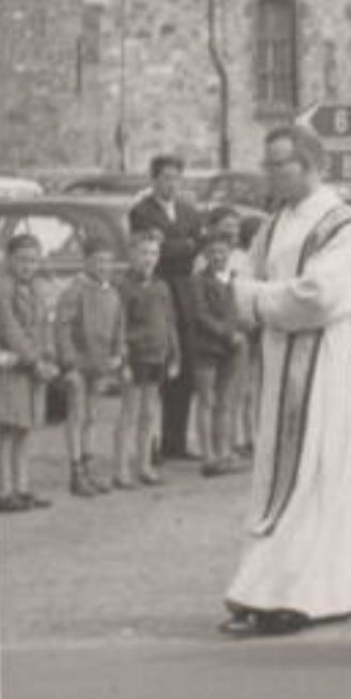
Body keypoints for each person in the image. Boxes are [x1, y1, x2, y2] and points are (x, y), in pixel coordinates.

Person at [220, 124, 351, 638]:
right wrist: (248, 290)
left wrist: (254, 296)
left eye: (279, 165)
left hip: (322, 358)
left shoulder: (341, 223)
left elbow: (321, 296)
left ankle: (296, 592)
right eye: (267, 164)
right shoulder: (274, 223)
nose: (269, 174)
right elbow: (241, 275)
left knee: (312, 467)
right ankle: (330, 579)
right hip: (280, 355)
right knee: (285, 466)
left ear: (311, 165)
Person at [128, 156, 204, 463]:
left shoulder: (188, 210)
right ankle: (151, 444)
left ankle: (177, 440)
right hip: (157, 290)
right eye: (165, 178)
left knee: (183, 366)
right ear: (154, 179)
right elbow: (157, 249)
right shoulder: (142, 211)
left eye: (176, 178)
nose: (171, 183)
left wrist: (182, 244)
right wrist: (183, 245)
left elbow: (199, 242)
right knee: (155, 370)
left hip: (183, 293)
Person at [0, 234, 58, 514]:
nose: (28, 266)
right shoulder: (1, 289)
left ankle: (22, 486)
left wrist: (49, 354)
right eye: (22, 260)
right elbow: (9, 329)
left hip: (32, 367)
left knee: (25, 428)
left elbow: (44, 325)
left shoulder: (36, 289)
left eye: (33, 260)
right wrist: (34, 361)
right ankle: (3, 490)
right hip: (13, 366)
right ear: (9, 259)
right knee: (8, 428)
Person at [53, 236, 124, 497]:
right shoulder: (75, 291)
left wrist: (118, 354)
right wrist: (69, 364)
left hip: (100, 364)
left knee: (92, 418)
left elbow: (119, 326)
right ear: (86, 262)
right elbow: (62, 329)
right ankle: (76, 472)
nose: (103, 266)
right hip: (79, 365)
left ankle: (89, 466)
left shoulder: (112, 292)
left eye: (108, 261)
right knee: (77, 416)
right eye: (97, 260)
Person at [115, 229, 181, 489]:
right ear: (131, 255)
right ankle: (121, 469)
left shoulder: (162, 286)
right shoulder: (123, 286)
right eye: (143, 252)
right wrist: (123, 360)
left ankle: (144, 465)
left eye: (153, 253)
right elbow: (118, 327)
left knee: (149, 413)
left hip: (158, 357)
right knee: (129, 414)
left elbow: (170, 322)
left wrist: (175, 355)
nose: (148, 258)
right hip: (135, 357)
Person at [188, 231, 247, 479]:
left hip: (231, 347)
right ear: (205, 255)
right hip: (207, 347)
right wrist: (226, 333)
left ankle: (223, 451)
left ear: (230, 254)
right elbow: (200, 315)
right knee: (207, 399)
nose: (218, 257)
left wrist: (239, 332)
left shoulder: (234, 279)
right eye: (212, 253)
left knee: (225, 400)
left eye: (222, 252)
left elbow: (239, 310)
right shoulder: (198, 281)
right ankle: (208, 455)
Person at [232, 214, 263, 460]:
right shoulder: (238, 260)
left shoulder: (260, 261)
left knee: (253, 387)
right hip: (242, 326)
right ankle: (237, 437)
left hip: (258, 326)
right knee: (239, 386)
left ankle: (252, 434)